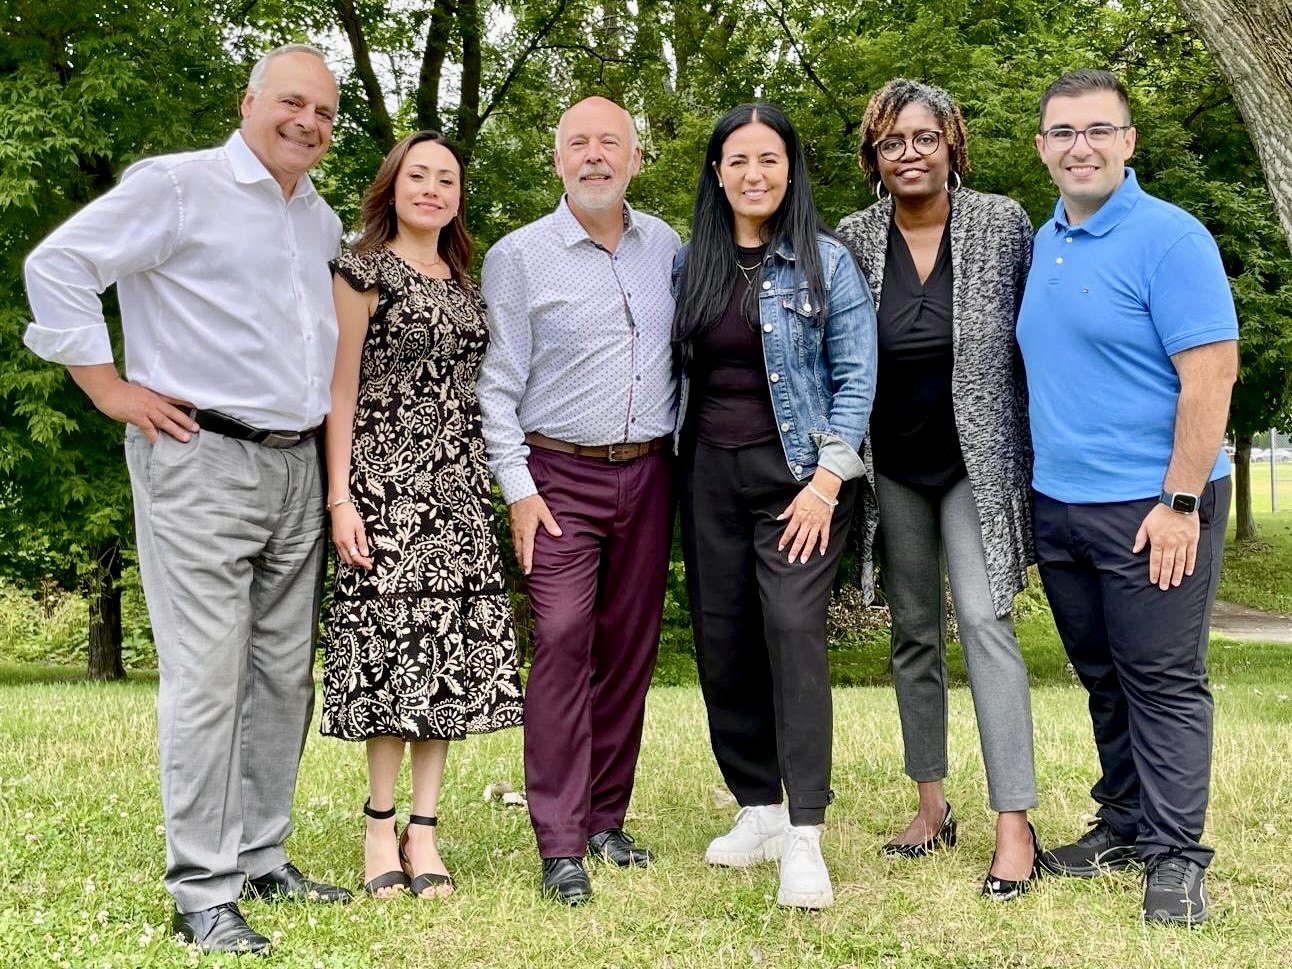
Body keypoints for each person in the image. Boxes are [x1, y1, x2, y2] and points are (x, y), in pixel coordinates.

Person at [23, 44, 352, 955]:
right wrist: (107, 388)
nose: (309, 123)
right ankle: (203, 889)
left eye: (325, 113)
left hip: (294, 463)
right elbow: (58, 263)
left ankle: (260, 856)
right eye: (293, 102)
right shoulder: (177, 186)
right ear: (249, 102)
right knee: (208, 676)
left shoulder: (318, 218)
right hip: (198, 456)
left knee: (283, 675)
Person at [1018, 69, 1239, 926]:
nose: (1081, 147)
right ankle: (1124, 822)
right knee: (1104, 677)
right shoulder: (1045, 240)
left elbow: (1211, 374)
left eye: (1098, 130)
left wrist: (1179, 501)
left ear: (1128, 141)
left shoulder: (1171, 239)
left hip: (1152, 507)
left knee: (1163, 681)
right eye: (1064, 132)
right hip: (1061, 505)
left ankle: (1176, 856)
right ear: (1043, 147)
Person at [834, 79, 1041, 900]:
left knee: (986, 621)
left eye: (925, 138)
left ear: (953, 144)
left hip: (976, 465)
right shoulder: (854, 238)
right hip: (894, 465)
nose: (909, 154)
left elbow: (1038, 338)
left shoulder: (1002, 224)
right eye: (892, 142)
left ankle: (1014, 823)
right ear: (873, 157)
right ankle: (931, 805)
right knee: (913, 631)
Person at [673, 102, 877, 910]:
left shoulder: (828, 263)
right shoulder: (690, 263)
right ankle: (757, 805)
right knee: (723, 639)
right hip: (707, 476)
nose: (753, 173)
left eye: (769, 159)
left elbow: (856, 380)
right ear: (718, 172)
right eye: (738, 159)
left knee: (792, 631)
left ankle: (805, 834)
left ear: (791, 170)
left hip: (799, 479)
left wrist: (827, 484)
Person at [477, 96, 680, 905]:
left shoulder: (667, 246)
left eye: (611, 143)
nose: (596, 156)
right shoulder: (520, 256)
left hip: (652, 471)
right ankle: (559, 841)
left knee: (630, 646)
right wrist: (518, 490)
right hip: (558, 475)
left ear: (635, 157)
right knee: (563, 638)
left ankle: (604, 818)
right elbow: (496, 386)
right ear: (557, 159)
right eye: (579, 144)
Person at [319, 131, 524, 900]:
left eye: (447, 179)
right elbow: (339, 392)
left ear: (458, 196)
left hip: (459, 493)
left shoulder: (468, 283)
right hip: (384, 493)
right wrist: (340, 497)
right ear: (393, 186)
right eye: (419, 176)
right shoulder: (360, 271)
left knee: (445, 664)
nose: (433, 189)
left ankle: (424, 828)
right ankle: (379, 824)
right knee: (393, 660)